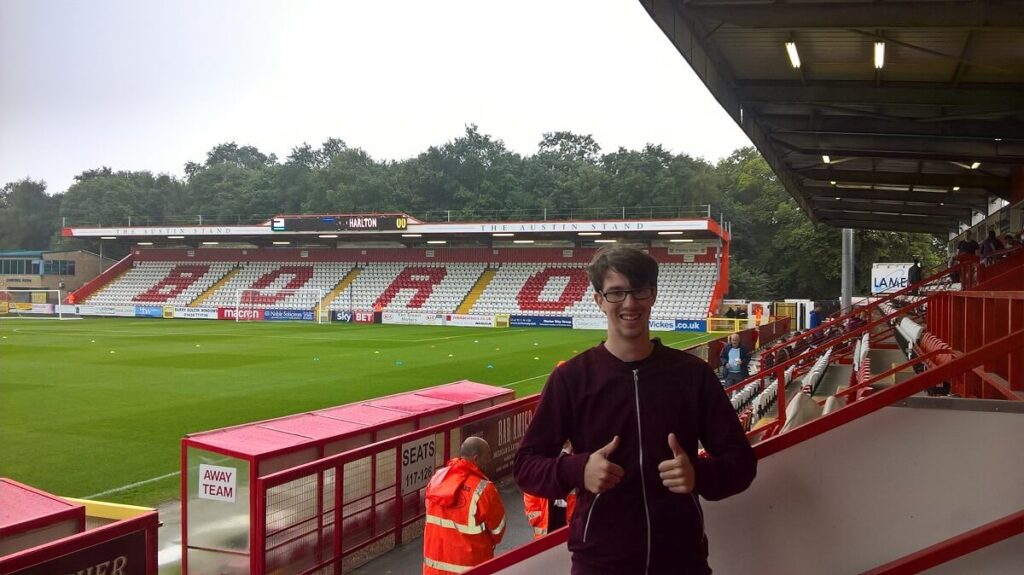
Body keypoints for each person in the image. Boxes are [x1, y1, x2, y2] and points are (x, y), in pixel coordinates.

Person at [513, 245, 757, 575]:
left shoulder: (691, 375)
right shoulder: (571, 379)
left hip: (682, 561)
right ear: (599, 300)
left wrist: (698, 475)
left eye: (638, 291)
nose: (629, 303)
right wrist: (578, 470)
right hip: (599, 564)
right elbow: (526, 466)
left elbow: (741, 463)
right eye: (616, 293)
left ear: (653, 294)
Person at [423, 436, 506, 574]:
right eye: (487, 456)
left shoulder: (436, 480)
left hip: (434, 570)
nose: (490, 461)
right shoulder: (484, 489)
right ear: (476, 459)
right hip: (471, 568)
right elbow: (498, 532)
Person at [522, 441, 577, 539]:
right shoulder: (540, 454)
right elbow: (529, 488)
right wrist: (536, 518)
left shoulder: (578, 455)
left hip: (571, 516)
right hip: (547, 518)